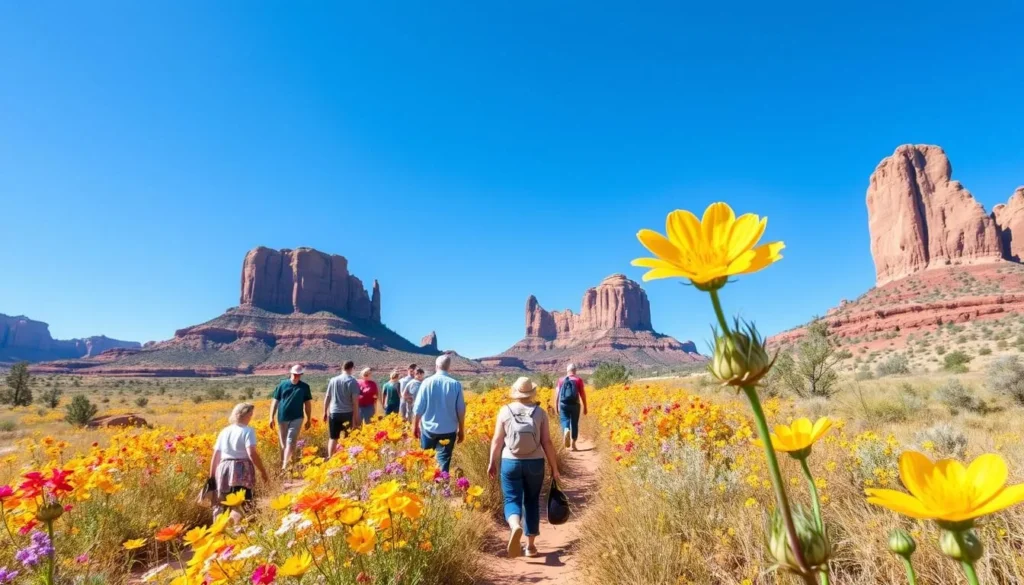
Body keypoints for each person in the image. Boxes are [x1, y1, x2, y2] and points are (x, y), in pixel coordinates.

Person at [487, 377, 561, 559]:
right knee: (531, 501)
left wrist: (492, 462)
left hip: (510, 461)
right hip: (535, 462)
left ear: (516, 392)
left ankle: (515, 526)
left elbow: (497, 440)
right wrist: (555, 468)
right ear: (531, 393)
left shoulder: (504, 411)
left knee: (511, 498)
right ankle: (530, 547)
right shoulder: (540, 412)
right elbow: (547, 442)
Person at [211, 402, 270, 522]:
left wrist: (211, 477)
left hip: (223, 468)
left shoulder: (224, 431)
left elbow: (215, 456)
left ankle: (219, 532)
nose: (251, 418)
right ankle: (237, 532)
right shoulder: (248, 431)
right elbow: (252, 454)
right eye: (250, 415)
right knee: (240, 504)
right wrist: (263, 471)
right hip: (241, 469)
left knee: (221, 503)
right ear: (245, 415)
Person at [413, 354, 465, 473]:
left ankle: (428, 487)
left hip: (428, 430)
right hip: (449, 430)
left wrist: (414, 426)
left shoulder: (426, 382)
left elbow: (418, 408)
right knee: (443, 463)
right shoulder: (455, 384)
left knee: (427, 461)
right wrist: (461, 429)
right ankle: (442, 487)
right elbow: (461, 409)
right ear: (449, 367)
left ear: (436, 366)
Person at [270, 365, 313, 470]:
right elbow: (275, 401)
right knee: (283, 443)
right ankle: (286, 464)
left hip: (297, 417)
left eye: (298, 375)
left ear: (301, 375)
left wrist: (308, 418)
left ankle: (285, 466)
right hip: (282, 417)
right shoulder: (282, 385)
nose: (296, 376)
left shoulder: (304, 387)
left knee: (291, 440)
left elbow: (307, 404)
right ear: (291, 373)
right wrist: (271, 417)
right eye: (294, 374)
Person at [325, 361, 360, 457]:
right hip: (347, 413)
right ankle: (346, 458)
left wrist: (325, 412)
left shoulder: (333, 380)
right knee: (349, 437)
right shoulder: (352, 381)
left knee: (333, 437)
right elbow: (355, 402)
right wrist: (356, 418)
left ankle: (330, 457)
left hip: (334, 413)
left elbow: (327, 397)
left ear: (342, 368)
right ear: (352, 368)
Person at [554, 363, 588, 451]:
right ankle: (573, 444)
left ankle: (566, 430)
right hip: (575, 404)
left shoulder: (561, 380)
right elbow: (582, 394)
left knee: (565, 420)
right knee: (574, 423)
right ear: (575, 370)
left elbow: (557, 394)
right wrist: (585, 406)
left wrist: (556, 406)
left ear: (567, 370)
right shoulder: (578, 380)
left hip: (563, 404)